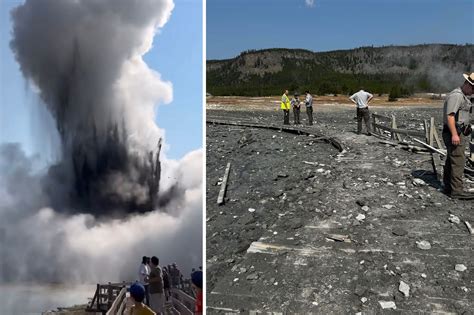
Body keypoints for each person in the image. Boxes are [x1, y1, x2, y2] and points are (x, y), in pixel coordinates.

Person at [442, 73, 474, 199]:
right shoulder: (457, 96)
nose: (473, 92)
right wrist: (455, 134)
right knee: (458, 160)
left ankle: (448, 186)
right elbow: (450, 116)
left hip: (457, 131)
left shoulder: (463, 96)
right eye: (473, 88)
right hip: (453, 132)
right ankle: (457, 190)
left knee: (452, 159)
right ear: (467, 84)